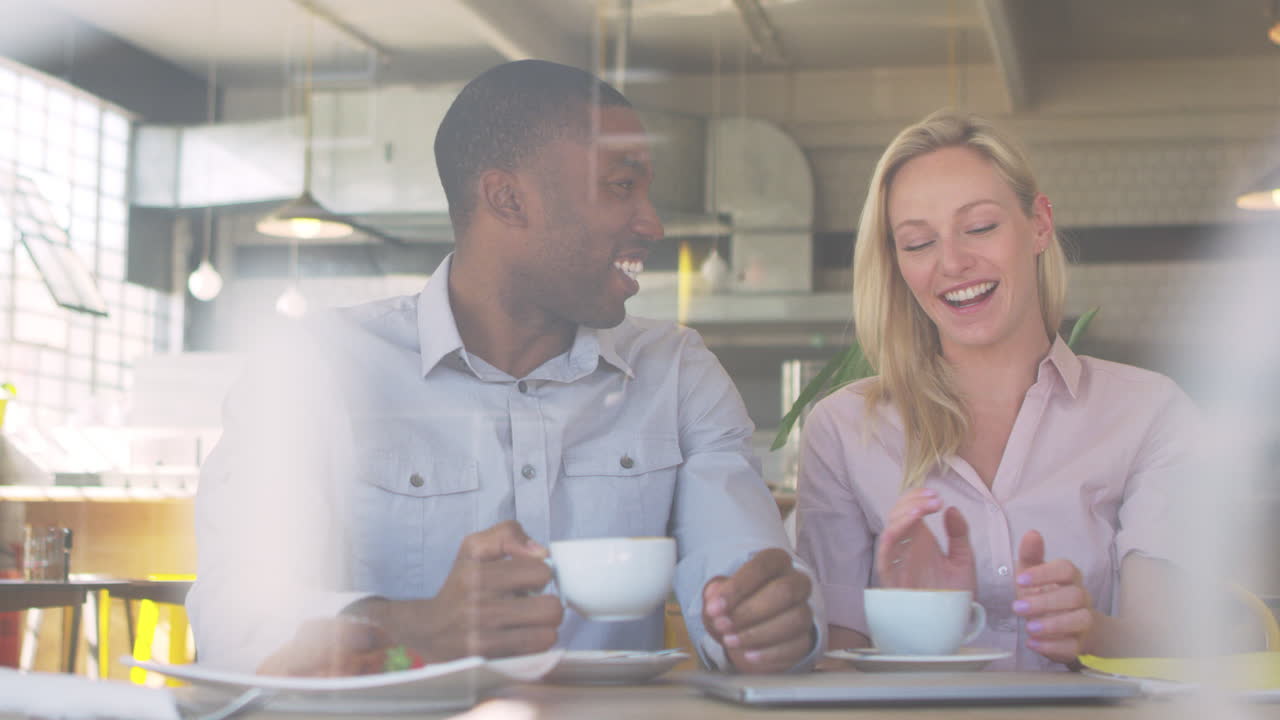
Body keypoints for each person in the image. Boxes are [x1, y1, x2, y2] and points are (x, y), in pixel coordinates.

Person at [188, 59, 823, 676]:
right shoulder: (311, 369)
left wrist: (763, 622)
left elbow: (742, 562)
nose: (651, 221)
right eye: (621, 186)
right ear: (508, 198)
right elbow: (234, 620)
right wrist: (414, 628)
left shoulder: (678, 371)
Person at [794, 109, 1206, 672]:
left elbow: (1173, 646)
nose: (954, 262)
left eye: (981, 227)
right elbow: (831, 668)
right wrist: (914, 627)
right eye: (918, 243)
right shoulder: (843, 430)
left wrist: (1091, 629)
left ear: (1038, 224)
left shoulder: (1148, 413)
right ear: (896, 265)